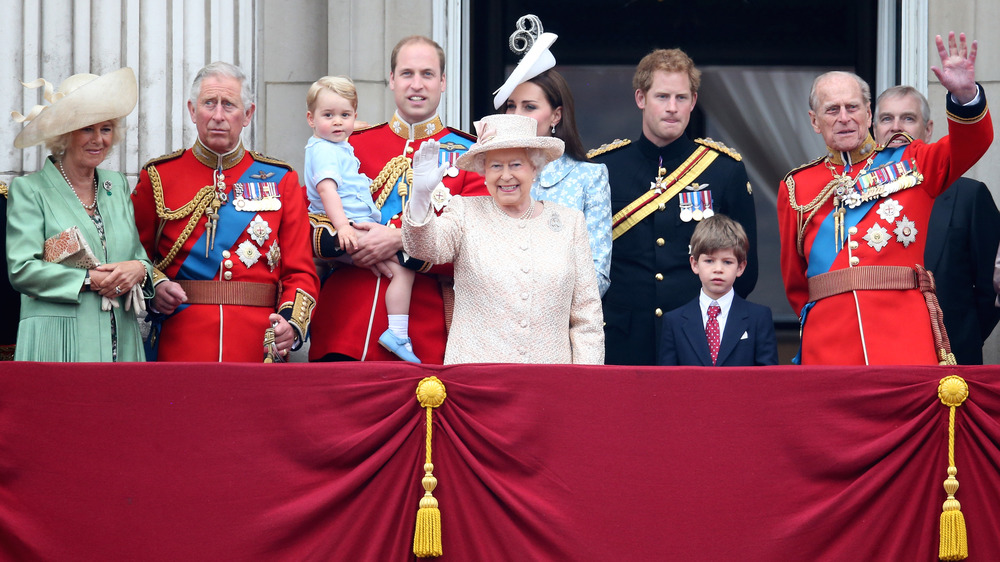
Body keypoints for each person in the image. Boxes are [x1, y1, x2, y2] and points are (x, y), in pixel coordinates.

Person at [777, 32, 993, 365]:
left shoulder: (912, 161)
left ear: (868, 113)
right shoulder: (796, 187)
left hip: (903, 340)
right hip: (828, 346)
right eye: (832, 110)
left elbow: (971, 145)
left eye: (853, 107)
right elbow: (796, 283)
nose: (844, 117)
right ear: (814, 121)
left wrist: (965, 96)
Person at [308, 36, 488, 363]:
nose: (416, 84)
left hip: (424, 335)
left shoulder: (469, 156)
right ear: (391, 80)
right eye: (406, 74)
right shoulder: (350, 145)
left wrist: (400, 239)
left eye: (427, 74)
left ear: (443, 82)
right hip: (343, 328)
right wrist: (353, 247)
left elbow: (477, 246)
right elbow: (311, 222)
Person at [132, 61, 319, 362]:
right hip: (180, 343)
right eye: (209, 103)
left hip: (257, 346)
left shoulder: (282, 179)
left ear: (247, 115)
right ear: (193, 111)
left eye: (229, 105)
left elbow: (300, 272)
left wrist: (291, 325)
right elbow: (132, 254)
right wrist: (157, 287)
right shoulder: (159, 177)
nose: (218, 115)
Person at [590, 48, 757, 366]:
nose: (672, 108)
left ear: (693, 102)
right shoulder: (603, 169)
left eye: (681, 98)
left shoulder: (724, 170)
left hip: (698, 339)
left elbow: (746, 272)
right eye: (662, 96)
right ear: (641, 98)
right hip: (621, 341)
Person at [402, 113, 604, 364]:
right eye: (496, 165)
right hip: (476, 382)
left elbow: (587, 319)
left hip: (550, 382)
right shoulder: (465, 211)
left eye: (516, 164)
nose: (505, 176)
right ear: (484, 172)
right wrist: (421, 198)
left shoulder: (570, 222)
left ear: (535, 167)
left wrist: (585, 385)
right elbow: (426, 248)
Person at [6, 67, 153, 361]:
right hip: (58, 341)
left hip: (119, 340)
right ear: (64, 133)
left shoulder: (116, 186)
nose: (98, 139)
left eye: (106, 129)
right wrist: (89, 280)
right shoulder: (30, 190)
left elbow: (139, 257)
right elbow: (22, 270)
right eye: (87, 128)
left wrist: (139, 270)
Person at [874, 85, 1000, 364]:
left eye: (908, 118)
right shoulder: (857, 200)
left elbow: (990, 289)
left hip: (949, 358)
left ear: (928, 129)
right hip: (877, 356)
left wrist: (961, 335)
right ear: (874, 130)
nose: (896, 127)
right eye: (886, 119)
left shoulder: (969, 196)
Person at [304, 76, 420, 363]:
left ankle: (399, 332)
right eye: (407, 73)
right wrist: (342, 228)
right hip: (343, 322)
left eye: (345, 116)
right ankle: (398, 332)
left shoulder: (343, 143)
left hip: (426, 325)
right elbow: (323, 194)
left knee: (394, 267)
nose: (338, 122)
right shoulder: (330, 148)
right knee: (402, 268)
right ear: (392, 79)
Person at [495, 18, 612, 295]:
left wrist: (542, 307)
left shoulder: (589, 177)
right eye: (511, 106)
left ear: (556, 116)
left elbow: (597, 273)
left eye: (530, 106)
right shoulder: (489, 172)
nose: (517, 116)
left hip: (560, 328)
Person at [657, 214, 777, 366]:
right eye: (709, 261)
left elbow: (768, 379)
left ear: (740, 267)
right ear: (694, 264)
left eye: (727, 262)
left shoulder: (759, 318)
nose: (718, 269)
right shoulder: (674, 321)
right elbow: (667, 381)